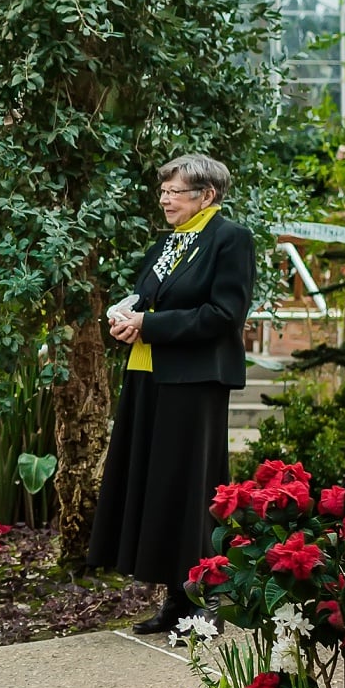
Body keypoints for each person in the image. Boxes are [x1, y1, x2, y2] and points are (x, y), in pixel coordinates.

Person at [89, 153, 256, 634]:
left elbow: (225, 314)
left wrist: (151, 324)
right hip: (150, 375)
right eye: (162, 191)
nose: (164, 198)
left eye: (174, 191)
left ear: (206, 195)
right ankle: (174, 602)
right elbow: (146, 298)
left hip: (195, 381)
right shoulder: (171, 243)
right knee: (158, 488)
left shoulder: (230, 239)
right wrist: (128, 316)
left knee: (192, 489)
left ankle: (209, 601)